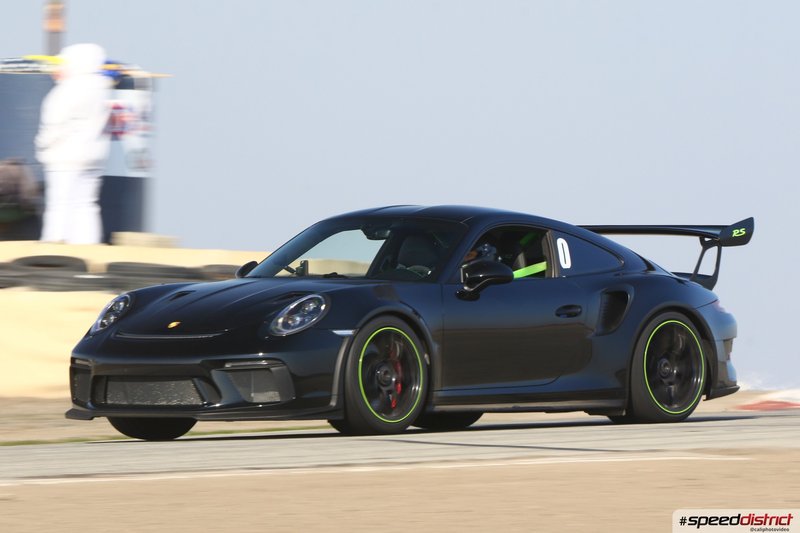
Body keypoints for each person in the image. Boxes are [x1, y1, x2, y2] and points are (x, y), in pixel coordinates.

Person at [36, 43, 112, 244]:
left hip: (64, 157)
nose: (56, 70)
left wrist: (41, 145)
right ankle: (87, 246)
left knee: (59, 203)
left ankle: (54, 244)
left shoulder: (66, 91)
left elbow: (52, 126)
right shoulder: (101, 89)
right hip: (94, 157)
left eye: (62, 64)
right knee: (86, 204)